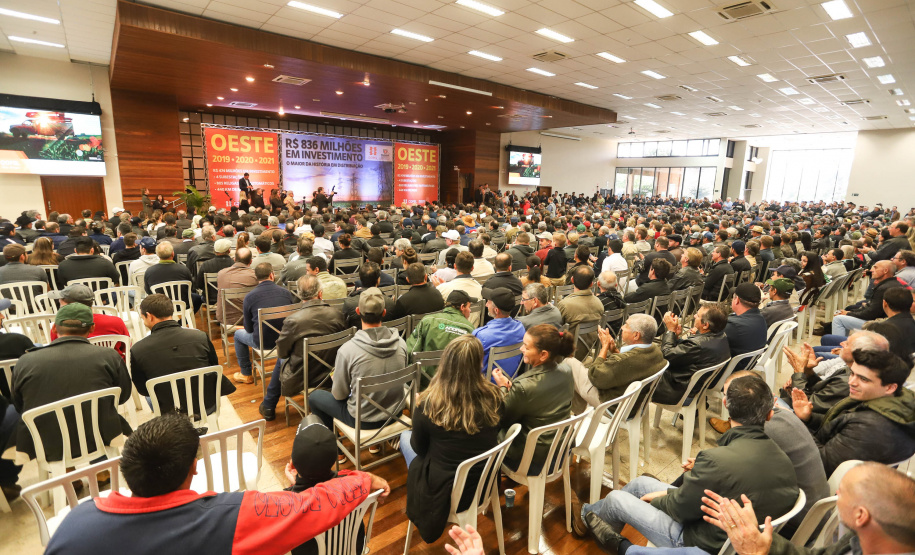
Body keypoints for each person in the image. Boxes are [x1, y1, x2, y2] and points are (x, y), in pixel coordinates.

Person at [44, 413, 390, 555]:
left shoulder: (73, 525)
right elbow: (308, 505)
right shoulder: (230, 516)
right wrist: (363, 476)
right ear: (194, 469)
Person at [576, 375, 799, 555]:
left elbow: (681, 509)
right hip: (724, 532)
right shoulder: (785, 462)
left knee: (617, 499)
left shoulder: (717, 459)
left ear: (725, 405)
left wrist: (660, 499)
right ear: (769, 414)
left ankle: (588, 518)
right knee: (640, 483)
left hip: (698, 540)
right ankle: (595, 517)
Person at [401, 334, 504, 543]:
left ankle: (417, 490)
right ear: (479, 363)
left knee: (404, 437)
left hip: (445, 488)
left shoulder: (428, 403)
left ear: (445, 363)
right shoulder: (495, 396)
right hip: (482, 482)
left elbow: (420, 450)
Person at [701, 462, 915, 555]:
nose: (836, 496)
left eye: (842, 492)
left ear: (861, 515)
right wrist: (763, 543)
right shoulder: (858, 539)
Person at [11, 303, 132, 462]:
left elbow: (20, 406)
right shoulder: (109, 356)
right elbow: (122, 396)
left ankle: (66, 471)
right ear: (92, 328)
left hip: (48, 443)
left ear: (54, 329)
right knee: (96, 415)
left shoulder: (25, 362)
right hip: (101, 436)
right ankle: (102, 471)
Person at [791, 349, 915, 475]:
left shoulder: (870, 428)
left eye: (863, 379)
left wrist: (794, 424)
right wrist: (809, 418)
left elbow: (821, 463)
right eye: (852, 373)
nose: (851, 382)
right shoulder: (891, 400)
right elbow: (839, 425)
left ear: (890, 387)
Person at [307, 287, 407, 433]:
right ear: (384, 313)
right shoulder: (401, 344)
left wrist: (340, 380)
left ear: (358, 311)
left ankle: (336, 452)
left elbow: (339, 395)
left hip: (363, 420)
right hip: (395, 414)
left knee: (315, 396)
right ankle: (377, 443)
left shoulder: (347, 350)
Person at [131, 294, 235, 415]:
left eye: (142, 317)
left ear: (149, 316)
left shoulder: (138, 349)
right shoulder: (200, 337)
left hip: (170, 412)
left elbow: (144, 390)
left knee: (150, 396)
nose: (143, 321)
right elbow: (213, 368)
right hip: (206, 404)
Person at [493, 324, 574, 474]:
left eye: (526, 346)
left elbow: (502, 420)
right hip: (562, 451)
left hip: (533, 461)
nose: (521, 349)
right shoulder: (567, 370)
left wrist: (503, 388)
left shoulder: (524, 386)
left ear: (543, 354)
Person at [270, 274, 347, 421]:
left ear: (299, 295)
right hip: (333, 373)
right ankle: (268, 404)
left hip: (305, 377)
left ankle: (269, 405)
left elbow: (282, 352)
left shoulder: (293, 320)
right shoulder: (338, 314)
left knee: (280, 362)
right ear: (320, 293)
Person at [573, 314, 666, 412]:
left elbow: (595, 376)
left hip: (612, 405)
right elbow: (628, 366)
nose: (622, 327)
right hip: (635, 405)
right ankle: (579, 412)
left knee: (570, 362)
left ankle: (577, 415)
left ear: (636, 335)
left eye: (626, 325)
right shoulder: (656, 351)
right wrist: (614, 350)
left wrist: (604, 346)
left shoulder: (624, 360)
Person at [652, 305, 731, 404]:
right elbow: (686, 352)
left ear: (705, 325)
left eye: (697, 316)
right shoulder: (721, 336)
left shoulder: (697, 344)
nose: (694, 316)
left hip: (678, 391)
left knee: (644, 368)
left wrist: (670, 331)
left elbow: (666, 355)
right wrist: (675, 337)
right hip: (696, 387)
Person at [233, 263, 296, 384]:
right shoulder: (286, 293)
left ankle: (246, 374)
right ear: (272, 275)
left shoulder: (249, 297)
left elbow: (249, 329)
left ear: (256, 277)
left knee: (237, 335)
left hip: (263, 343)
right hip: (286, 340)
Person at [405, 290, 475, 374]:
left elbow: (411, 350)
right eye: (469, 307)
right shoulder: (470, 329)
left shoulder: (428, 320)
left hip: (424, 382)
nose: (470, 310)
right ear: (462, 307)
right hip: (454, 383)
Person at [833, 260, 904, 336]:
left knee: (838, 319)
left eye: (875, 268)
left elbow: (871, 314)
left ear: (885, 271)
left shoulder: (884, 288)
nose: (871, 270)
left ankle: (839, 346)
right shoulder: (892, 283)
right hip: (891, 323)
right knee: (845, 314)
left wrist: (848, 313)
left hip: (883, 325)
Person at [472, 287, 525, 379]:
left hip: (486, 386)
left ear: (496, 310)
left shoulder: (480, 335)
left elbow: (471, 366)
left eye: (488, 302)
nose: (486, 305)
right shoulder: (520, 328)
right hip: (511, 382)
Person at [557, 265, 604, 360]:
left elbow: (556, 329)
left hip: (566, 354)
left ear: (572, 280)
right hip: (588, 352)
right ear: (591, 284)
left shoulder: (565, 304)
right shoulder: (599, 303)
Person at [144, 241, 202, 314]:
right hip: (182, 304)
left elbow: (148, 291)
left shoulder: (149, 271)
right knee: (198, 298)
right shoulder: (184, 269)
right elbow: (190, 288)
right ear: (173, 253)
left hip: (160, 307)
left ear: (157, 255)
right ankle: (183, 321)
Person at [723, 282, 768, 362]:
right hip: (749, 364)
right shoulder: (761, 318)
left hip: (732, 370)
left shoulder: (733, 325)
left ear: (737, 300)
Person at [342, 262, 395, 328]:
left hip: (357, 337)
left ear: (360, 279)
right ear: (378, 280)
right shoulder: (390, 303)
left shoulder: (348, 303)